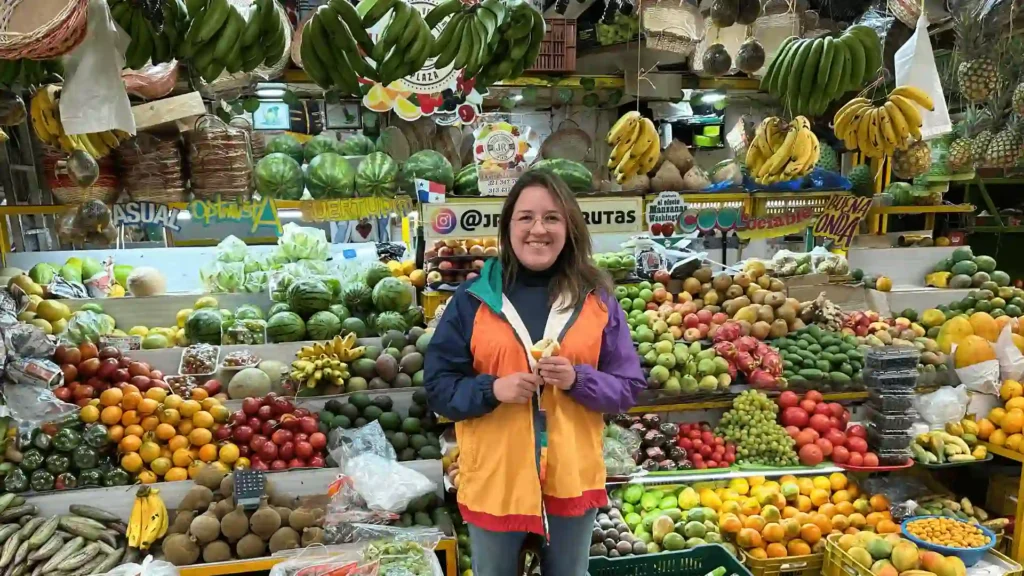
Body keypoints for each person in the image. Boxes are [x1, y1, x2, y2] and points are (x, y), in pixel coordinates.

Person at [424, 170, 645, 576]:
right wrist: (493, 389)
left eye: (551, 218)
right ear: (508, 227)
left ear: (570, 227)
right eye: (525, 217)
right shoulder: (472, 301)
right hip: (496, 482)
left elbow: (629, 387)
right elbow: (439, 388)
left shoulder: (597, 302)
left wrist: (579, 380)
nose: (537, 229)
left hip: (571, 479)